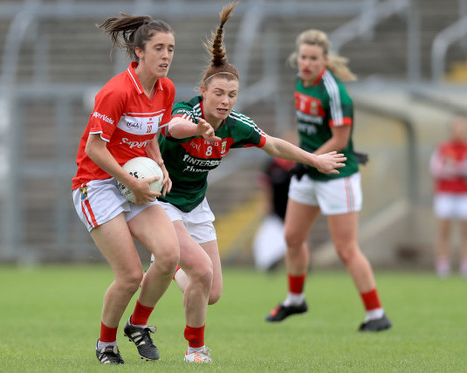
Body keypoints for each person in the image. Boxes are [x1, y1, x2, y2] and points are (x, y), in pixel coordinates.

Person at [147, 3, 346, 363]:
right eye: (219, 94)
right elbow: (173, 128)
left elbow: (272, 144)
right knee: (202, 272)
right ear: (204, 92)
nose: (225, 101)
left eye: (232, 95)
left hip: (196, 205)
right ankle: (195, 350)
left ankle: (172, 264)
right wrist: (198, 128)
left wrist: (315, 158)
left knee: (211, 292)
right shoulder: (186, 111)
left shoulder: (236, 125)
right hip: (163, 202)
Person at [71, 13, 186, 365]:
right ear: (139, 52)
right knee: (130, 275)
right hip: (97, 185)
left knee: (169, 256)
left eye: (171, 49)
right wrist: (131, 182)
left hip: (133, 181)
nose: (166, 56)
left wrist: (161, 167)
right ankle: (106, 344)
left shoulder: (166, 89)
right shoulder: (116, 91)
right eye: (158, 49)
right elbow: (94, 149)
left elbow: (149, 135)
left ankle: (138, 325)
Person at [264, 29, 392, 332]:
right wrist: (306, 160)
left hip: (336, 176)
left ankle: (377, 314)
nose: (306, 63)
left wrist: (310, 161)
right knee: (292, 237)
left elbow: (339, 138)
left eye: (313, 58)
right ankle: (295, 300)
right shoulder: (300, 82)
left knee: (345, 248)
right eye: (303, 57)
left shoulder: (334, 92)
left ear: (324, 60)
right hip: (310, 170)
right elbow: (313, 131)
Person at [429, 115, 467, 278]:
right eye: (455, 127)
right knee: (444, 230)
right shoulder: (442, 148)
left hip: (463, 194)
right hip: (445, 193)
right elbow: (436, 170)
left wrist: (454, 169)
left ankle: (464, 264)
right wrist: (455, 170)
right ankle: (442, 265)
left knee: (465, 231)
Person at [252, 154, 295, 272]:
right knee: (273, 236)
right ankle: (271, 262)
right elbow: (264, 185)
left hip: (293, 208)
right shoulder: (271, 164)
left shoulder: (296, 163)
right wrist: (265, 203)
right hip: (276, 209)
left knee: (296, 237)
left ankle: (301, 265)